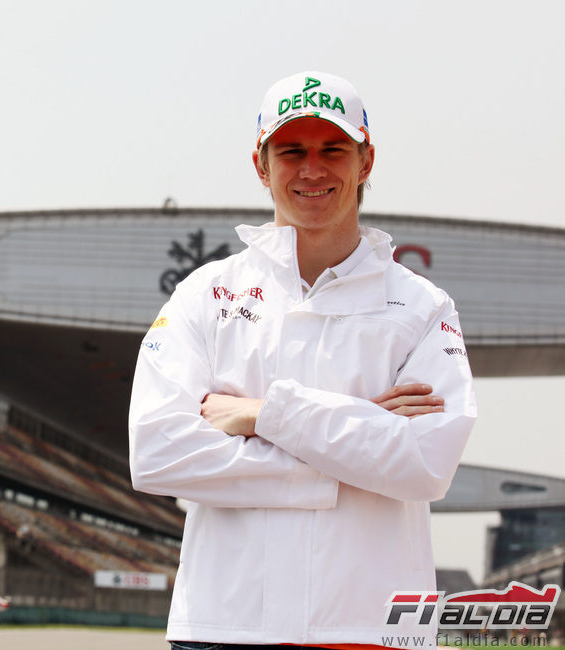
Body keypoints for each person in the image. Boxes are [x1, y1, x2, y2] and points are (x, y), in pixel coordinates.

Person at [128, 71, 477, 650]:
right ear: (262, 165)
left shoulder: (421, 305)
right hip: (223, 626)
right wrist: (358, 440)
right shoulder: (204, 294)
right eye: (291, 151)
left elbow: (425, 465)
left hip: (372, 628)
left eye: (333, 148)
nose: (312, 169)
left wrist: (265, 415)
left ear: (365, 162)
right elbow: (158, 453)